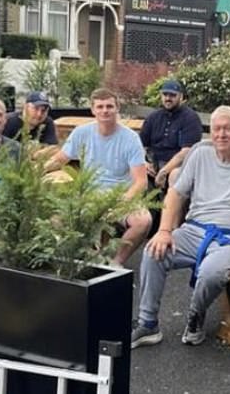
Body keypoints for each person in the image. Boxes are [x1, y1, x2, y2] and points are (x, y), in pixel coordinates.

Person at [131, 105, 230, 349]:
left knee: (211, 271)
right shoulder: (200, 153)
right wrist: (164, 231)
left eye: (228, 129)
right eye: (217, 129)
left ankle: (196, 316)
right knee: (154, 252)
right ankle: (148, 323)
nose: (221, 134)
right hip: (194, 230)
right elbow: (175, 193)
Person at [45, 88, 151, 266]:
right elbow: (60, 159)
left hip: (120, 194)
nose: (105, 111)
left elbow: (141, 181)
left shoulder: (131, 138)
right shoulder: (81, 133)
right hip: (89, 193)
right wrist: (38, 170)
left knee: (143, 221)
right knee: (56, 218)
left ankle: (115, 262)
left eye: (109, 106)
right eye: (100, 107)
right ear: (93, 110)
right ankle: (79, 259)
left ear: (117, 108)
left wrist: (123, 202)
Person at [139, 80, 202, 190]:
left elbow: (186, 152)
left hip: (178, 166)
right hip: (153, 163)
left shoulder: (190, 118)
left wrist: (164, 171)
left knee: (175, 176)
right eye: (165, 94)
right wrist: (144, 163)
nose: (168, 98)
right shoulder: (153, 117)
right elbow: (140, 145)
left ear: (181, 97)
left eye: (172, 95)